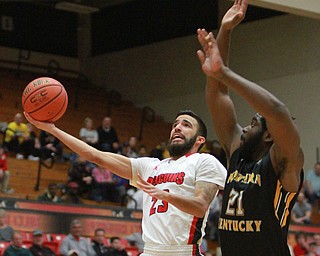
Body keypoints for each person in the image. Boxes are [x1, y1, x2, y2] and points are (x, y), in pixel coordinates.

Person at [25, 109, 227, 256]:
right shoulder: (149, 166)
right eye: (175, 124)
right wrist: (52, 129)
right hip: (149, 251)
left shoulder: (204, 161)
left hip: (183, 252)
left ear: (200, 140)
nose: (177, 128)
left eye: (186, 125)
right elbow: (95, 155)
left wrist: (166, 195)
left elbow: (200, 207)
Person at [197, 0, 304, 255]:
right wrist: (225, 31)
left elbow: (277, 112)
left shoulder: (283, 161)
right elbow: (219, 94)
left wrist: (224, 74)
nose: (244, 127)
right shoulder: (237, 150)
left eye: (254, 123)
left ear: (269, 134)